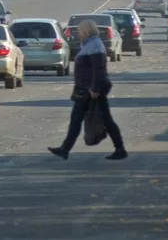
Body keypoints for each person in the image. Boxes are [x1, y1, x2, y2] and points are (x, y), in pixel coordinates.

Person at [49, 19, 127, 161]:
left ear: (86, 31)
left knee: (81, 119)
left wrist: (94, 88)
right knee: (101, 120)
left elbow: (98, 69)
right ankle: (119, 149)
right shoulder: (90, 44)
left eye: (79, 31)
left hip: (90, 90)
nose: (78, 34)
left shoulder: (94, 45)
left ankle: (65, 149)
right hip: (87, 88)